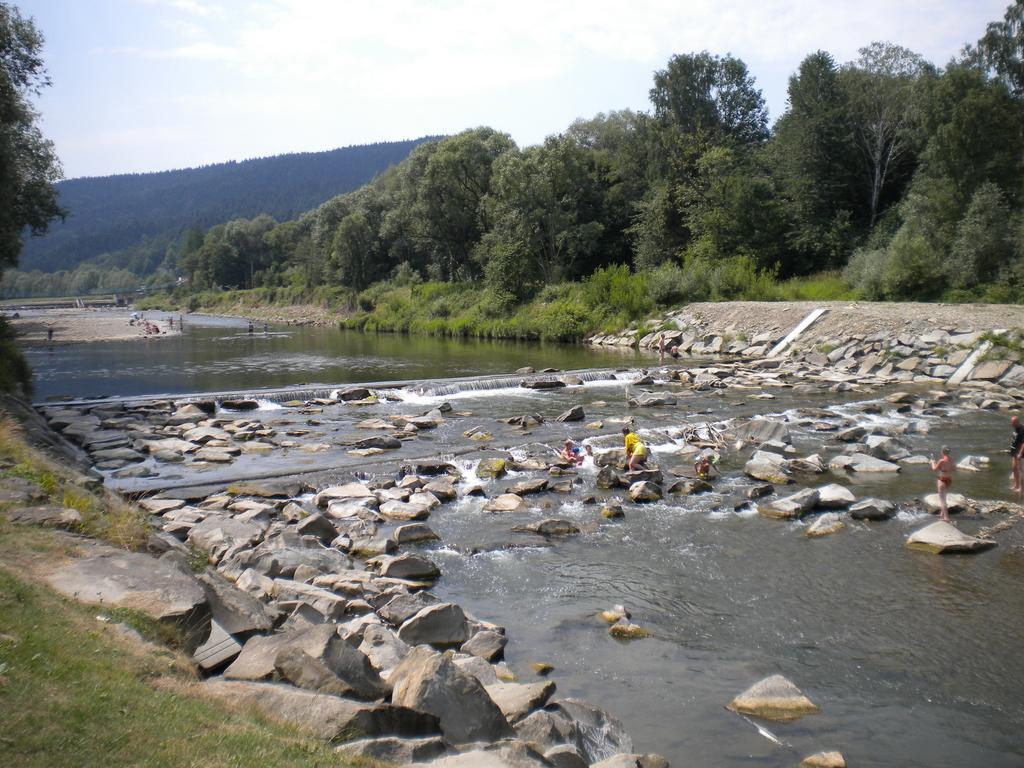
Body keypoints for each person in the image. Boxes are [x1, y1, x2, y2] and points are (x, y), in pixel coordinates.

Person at [930, 446, 954, 523]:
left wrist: (933, 462)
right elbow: (955, 469)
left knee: (942, 500)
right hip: (949, 480)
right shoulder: (951, 460)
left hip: (942, 480)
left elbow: (934, 469)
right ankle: (941, 514)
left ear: (942, 452)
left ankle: (946, 518)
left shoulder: (941, 461)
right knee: (944, 496)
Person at [1011, 416, 1024, 497]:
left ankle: (1022, 488)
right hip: (1014, 451)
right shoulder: (1016, 428)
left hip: (1020, 453)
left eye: (1012, 423)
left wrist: (1020, 453)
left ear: (1016, 422)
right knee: (1014, 468)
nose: (1011, 424)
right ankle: (1016, 485)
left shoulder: (1023, 429)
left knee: (1020, 470)